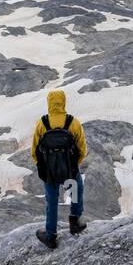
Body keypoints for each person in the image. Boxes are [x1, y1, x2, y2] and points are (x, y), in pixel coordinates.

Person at [30, 89, 87, 249]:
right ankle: (75, 222)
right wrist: (74, 164)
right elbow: (82, 149)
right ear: (64, 102)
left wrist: (43, 166)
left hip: (49, 172)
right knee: (75, 190)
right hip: (69, 168)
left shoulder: (42, 123)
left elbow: (34, 150)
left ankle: (50, 236)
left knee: (52, 201)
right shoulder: (72, 122)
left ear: (49, 102)